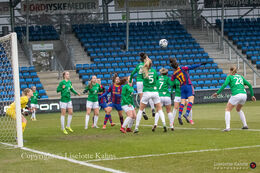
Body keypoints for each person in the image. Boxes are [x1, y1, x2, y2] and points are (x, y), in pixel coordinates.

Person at [212, 66, 256, 132]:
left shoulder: (229, 77)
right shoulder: (240, 76)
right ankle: (245, 125)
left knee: (227, 109)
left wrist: (217, 93)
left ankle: (227, 127)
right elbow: (249, 85)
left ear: (230, 70)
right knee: (238, 109)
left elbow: (224, 85)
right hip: (244, 94)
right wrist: (252, 95)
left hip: (236, 94)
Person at [134, 58, 167, 133]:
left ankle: (136, 127)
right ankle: (164, 124)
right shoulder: (154, 71)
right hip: (155, 92)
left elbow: (141, 79)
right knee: (160, 109)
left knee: (141, 110)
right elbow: (157, 79)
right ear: (151, 64)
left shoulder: (143, 71)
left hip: (146, 92)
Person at [170, 58, 205, 125]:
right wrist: (200, 64)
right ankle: (186, 114)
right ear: (177, 64)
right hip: (188, 85)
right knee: (191, 100)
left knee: (182, 102)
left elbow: (171, 81)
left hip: (182, 87)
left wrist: (173, 86)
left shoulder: (174, 74)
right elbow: (192, 67)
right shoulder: (183, 68)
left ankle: (179, 115)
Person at [129, 52, 155, 120]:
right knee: (149, 95)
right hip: (145, 81)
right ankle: (153, 109)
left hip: (139, 82)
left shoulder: (138, 65)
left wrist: (130, 81)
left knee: (141, 97)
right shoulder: (146, 65)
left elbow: (132, 74)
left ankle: (143, 111)